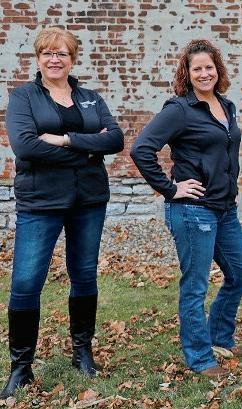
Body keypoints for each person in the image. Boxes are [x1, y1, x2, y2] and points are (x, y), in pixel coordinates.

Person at [1, 27, 124, 397]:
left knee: (84, 275)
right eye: (48, 53)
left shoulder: (90, 98)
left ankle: (82, 352)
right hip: (40, 202)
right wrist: (87, 151)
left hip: (89, 200)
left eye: (62, 53)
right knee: (26, 282)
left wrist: (68, 139)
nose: (54, 59)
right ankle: (21, 367)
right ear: (38, 58)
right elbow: (25, 147)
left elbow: (115, 139)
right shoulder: (23, 98)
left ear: (72, 59)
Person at [130, 39, 242, 378]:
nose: (204, 74)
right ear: (186, 73)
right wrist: (171, 189)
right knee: (195, 286)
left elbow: (224, 154)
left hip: (224, 209)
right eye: (197, 68)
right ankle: (199, 358)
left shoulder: (226, 105)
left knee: (241, 273)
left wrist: (228, 187)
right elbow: (141, 149)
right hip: (192, 211)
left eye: (209, 67)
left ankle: (219, 338)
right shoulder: (179, 109)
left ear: (218, 69)